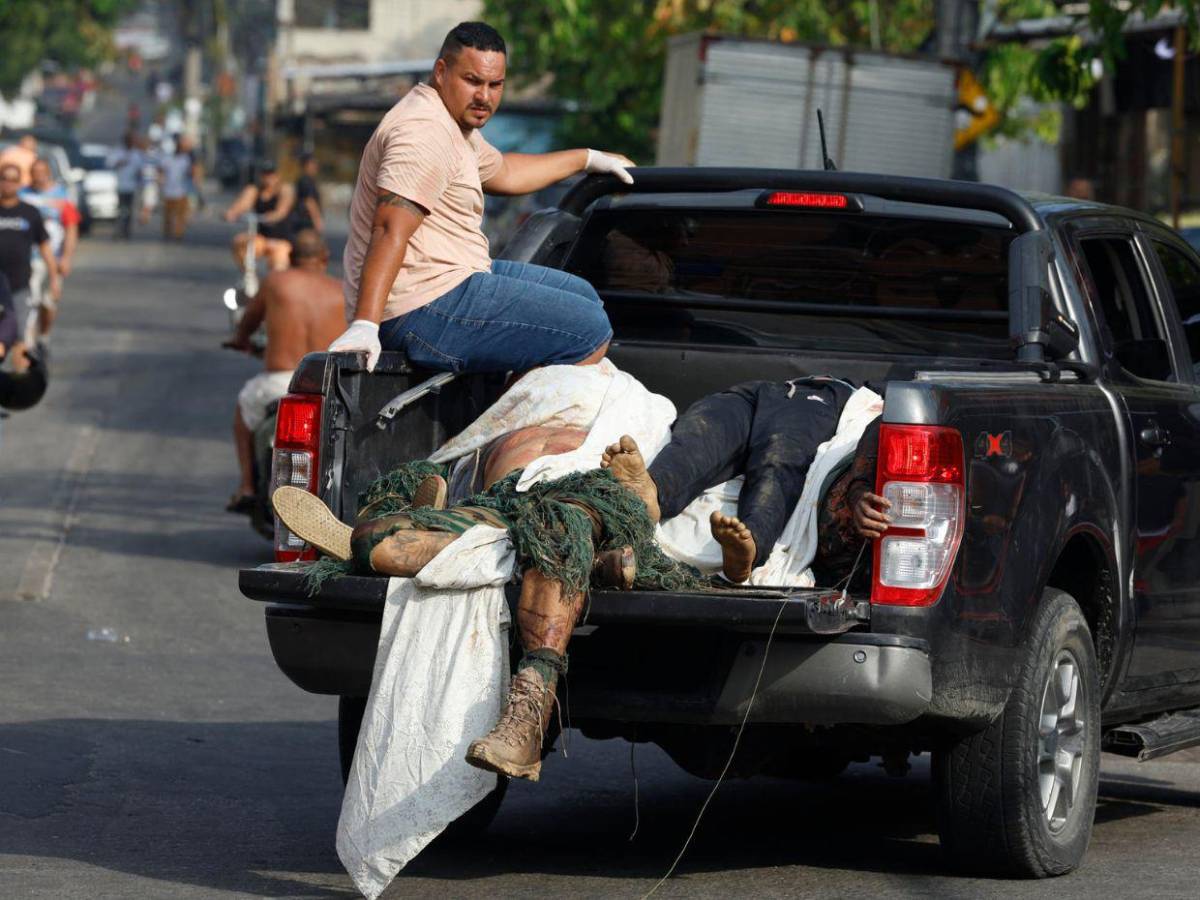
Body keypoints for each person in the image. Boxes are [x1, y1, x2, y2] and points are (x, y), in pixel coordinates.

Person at [328, 21, 636, 374]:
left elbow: (505, 171)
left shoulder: (452, 122)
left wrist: (589, 159)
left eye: (495, 84)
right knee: (589, 330)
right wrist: (366, 324)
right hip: (419, 306)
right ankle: (504, 411)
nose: (484, 97)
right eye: (472, 81)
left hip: (450, 279)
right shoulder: (423, 133)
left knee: (584, 296)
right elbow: (388, 228)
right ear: (441, 72)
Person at [601, 377, 859, 582]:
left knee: (779, 458)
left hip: (820, 400)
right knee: (701, 431)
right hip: (756, 393)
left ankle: (750, 547)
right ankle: (652, 491)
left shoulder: (862, 397)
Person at [224, 229, 346, 512]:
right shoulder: (342, 289)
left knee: (243, 410)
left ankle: (246, 486)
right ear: (324, 257)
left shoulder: (276, 282)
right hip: (328, 387)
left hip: (280, 384)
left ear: (291, 257)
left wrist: (240, 340)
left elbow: (249, 321)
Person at [0, 163, 58, 373]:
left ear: (19, 183)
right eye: (4, 178)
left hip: (20, 285)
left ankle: (19, 382)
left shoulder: (30, 212)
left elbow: (44, 246)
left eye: (13, 179)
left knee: (20, 336)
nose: (8, 183)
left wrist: (54, 278)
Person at [20, 158, 80, 344]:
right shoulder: (22, 195)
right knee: (30, 302)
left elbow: (71, 229)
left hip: (53, 258)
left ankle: (43, 337)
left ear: (48, 173)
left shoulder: (62, 197)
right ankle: (28, 346)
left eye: (41, 172)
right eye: (34, 172)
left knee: (48, 302)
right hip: (28, 258)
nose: (38, 176)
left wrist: (67, 258)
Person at [222, 161, 295, 272]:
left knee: (279, 264)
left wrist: (271, 217)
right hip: (262, 238)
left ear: (277, 175)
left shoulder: (284, 190)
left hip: (281, 240)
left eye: (271, 174)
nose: (268, 178)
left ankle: (275, 280)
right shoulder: (255, 190)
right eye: (265, 174)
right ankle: (249, 275)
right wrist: (232, 213)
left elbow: (282, 210)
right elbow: (243, 204)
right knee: (240, 242)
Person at [159, 134, 200, 240]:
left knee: (180, 215)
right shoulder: (167, 158)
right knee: (168, 215)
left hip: (181, 191)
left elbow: (193, 171)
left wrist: (194, 179)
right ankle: (167, 233)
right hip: (169, 191)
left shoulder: (186, 159)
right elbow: (161, 171)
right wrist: (160, 182)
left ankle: (178, 233)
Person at [109, 132, 146, 239]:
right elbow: (110, 164)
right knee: (120, 210)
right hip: (120, 186)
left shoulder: (136, 154)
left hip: (131, 187)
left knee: (129, 210)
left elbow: (140, 170)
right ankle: (118, 230)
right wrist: (121, 162)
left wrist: (140, 181)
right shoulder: (118, 152)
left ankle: (126, 231)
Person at [292, 152, 323, 234]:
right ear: (306, 165)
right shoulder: (306, 181)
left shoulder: (305, 180)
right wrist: (317, 221)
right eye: (313, 164)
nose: (316, 166)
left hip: (303, 221)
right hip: (305, 222)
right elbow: (309, 202)